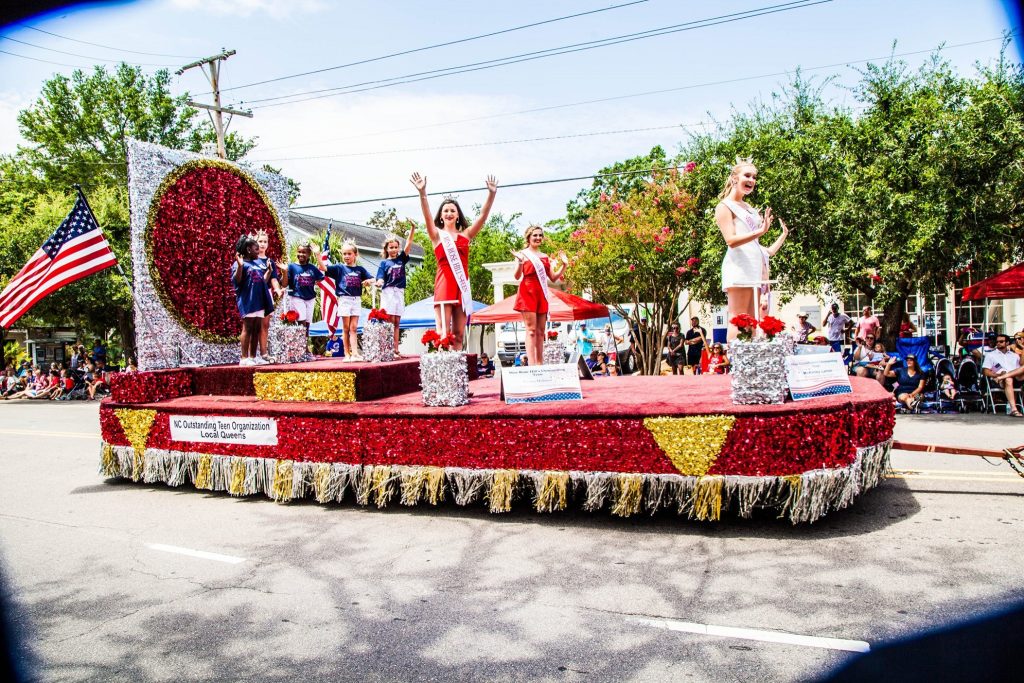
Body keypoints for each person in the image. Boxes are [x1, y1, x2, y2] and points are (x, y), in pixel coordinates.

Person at [411, 171, 498, 350]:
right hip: (444, 286)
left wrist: (491, 194)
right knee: (443, 334)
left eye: (453, 210)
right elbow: (427, 216)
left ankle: (457, 371)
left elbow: (482, 216)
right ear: (441, 216)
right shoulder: (436, 236)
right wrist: (422, 193)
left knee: (459, 335)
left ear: (458, 215)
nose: (449, 213)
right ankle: (444, 372)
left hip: (462, 287)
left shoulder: (466, 235)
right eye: (446, 211)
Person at [715, 159, 790, 339]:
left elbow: (761, 247)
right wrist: (760, 231)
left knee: (752, 319)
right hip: (738, 265)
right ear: (734, 178)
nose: (752, 180)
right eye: (747, 175)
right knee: (738, 317)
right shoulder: (724, 206)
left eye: (754, 177)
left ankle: (751, 360)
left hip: (754, 265)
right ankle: (737, 362)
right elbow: (730, 240)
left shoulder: (749, 208)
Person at [511, 225, 568, 366]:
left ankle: (540, 364)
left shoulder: (545, 257)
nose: (537, 238)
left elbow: (553, 278)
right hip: (527, 292)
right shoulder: (523, 254)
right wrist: (519, 262)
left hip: (541, 293)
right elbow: (517, 276)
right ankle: (531, 365)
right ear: (529, 237)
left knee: (541, 331)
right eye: (534, 235)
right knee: (531, 330)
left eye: (540, 235)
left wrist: (564, 265)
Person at [325, 241, 375, 362]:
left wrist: (369, 281)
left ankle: (355, 353)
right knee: (346, 327)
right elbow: (323, 268)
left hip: (356, 299)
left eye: (349, 253)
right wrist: (317, 255)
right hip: (344, 299)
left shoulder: (360, 269)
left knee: (354, 327)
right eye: (344, 254)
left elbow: (373, 278)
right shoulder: (339, 268)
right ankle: (346, 354)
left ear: (355, 255)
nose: (347, 256)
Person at [231, 234, 276, 367]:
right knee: (248, 327)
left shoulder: (257, 263)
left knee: (257, 328)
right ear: (249, 250)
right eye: (256, 249)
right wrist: (239, 266)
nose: (259, 252)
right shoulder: (240, 263)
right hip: (248, 300)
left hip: (260, 300)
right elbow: (237, 280)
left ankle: (253, 356)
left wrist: (268, 271)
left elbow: (262, 280)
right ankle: (244, 358)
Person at [376, 227, 417, 358]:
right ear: (386, 249)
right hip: (388, 292)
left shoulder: (401, 259)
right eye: (391, 247)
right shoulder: (384, 263)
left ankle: (396, 349)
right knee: (389, 321)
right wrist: (379, 282)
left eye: (395, 247)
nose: (394, 250)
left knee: (397, 322)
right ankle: (387, 349)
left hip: (399, 291)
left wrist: (413, 229)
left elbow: (409, 243)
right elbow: (381, 276)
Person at [255, 230, 284, 363]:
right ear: (255, 242)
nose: (262, 244)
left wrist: (278, 290)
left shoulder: (269, 261)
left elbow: (274, 279)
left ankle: (264, 353)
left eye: (265, 241)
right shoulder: (251, 259)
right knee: (253, 325)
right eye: (260, 241)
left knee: (264, 325)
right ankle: (251, 354)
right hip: (254, 294)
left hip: (266, 294)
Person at [282, 243, 325, 332]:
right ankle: (302, 344)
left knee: (308, 323)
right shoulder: (292, 267)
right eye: (299, 252)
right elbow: (284, 284)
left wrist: (315, 281)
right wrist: (285, 272)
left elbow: (321, 276)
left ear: (309, 254)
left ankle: (305, 342)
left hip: (310, 298)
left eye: (304, 252)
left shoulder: (312, 268)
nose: (301, 254)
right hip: (297, 297)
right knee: (302, 321)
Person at [982, 334, 1022, 417]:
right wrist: (998, 374)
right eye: (997, 342)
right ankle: (1014, 409)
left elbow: (1018, 370)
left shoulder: (1015, 356)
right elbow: (986, 372)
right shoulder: (991, 355)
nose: (998, 343)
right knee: (1008, 379)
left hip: (1016, 379)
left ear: (1007, 343)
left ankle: (1005, 376)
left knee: (1011, 377)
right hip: (999, 380)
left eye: (1001, 341)